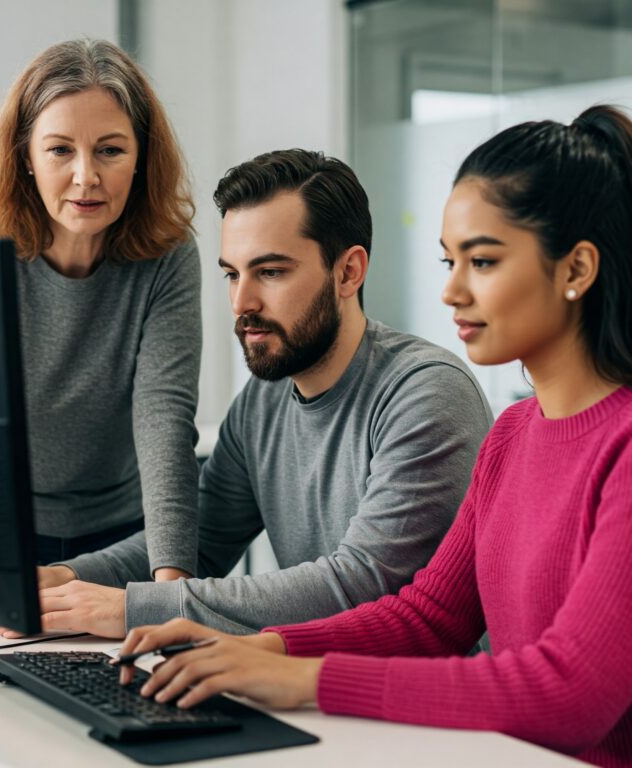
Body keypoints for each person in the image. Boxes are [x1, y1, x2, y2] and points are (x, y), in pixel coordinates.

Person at [116, 106, 632, 767]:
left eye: (482, 261)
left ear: (577, 270)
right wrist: (266, 648)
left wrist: (306, 679)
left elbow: (566, 694)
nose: (450, 290)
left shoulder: (619, 446)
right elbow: (427, 618)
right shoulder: (512, 435)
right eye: (450, 260)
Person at [25, 149, 493, 639]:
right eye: (233, 273)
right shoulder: (263, 401)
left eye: (270, 272)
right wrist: (68, 579)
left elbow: (361, 586)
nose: (242, 302)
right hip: (301, 688)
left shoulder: (427, 393)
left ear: (349, 272)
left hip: (415, 707)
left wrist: (132, 608)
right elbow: (197, 541)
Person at [0, 39, 202, 629]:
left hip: (123, 541)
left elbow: (164, 416)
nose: (86, 177)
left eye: (109, 150)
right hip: (2, 534)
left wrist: (172, 594)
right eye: (59, 150)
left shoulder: (168, 256)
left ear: (140, 156)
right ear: (27, 155)